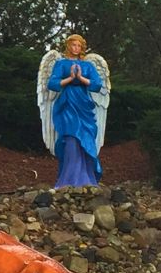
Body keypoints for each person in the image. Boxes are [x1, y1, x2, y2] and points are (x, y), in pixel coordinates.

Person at [37, 34, 111, 188]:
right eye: (73, 45)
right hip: (67, 103)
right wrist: (70, 79)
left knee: (85, 138)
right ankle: (68, 178)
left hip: (84, 104)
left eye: (78, 45)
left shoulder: (88, 66)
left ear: (82, 47)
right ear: (68, 46)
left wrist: (80, 78)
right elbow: (52, 83)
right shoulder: (61, 63)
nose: (76, 48)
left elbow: (97, 85)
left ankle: (86, 178)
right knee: (71, 137)